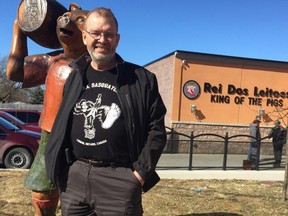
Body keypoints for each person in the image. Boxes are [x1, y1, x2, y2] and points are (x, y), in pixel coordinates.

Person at [45, 7, 167, 216]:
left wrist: (140, 174)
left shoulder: (141, 79)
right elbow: (62, 122)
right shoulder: (74, 77)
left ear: (117, 39)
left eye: (108, 34)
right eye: (96, 33)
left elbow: (156, 130)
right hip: (75, 177)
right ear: (85, 37)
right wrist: (62, 170)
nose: (102, 39)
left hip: (119, 180)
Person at [6, 3, 88, 215]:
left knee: (83, 189)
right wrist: (19, 32)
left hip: (84, 136)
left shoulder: (97, 66)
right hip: (49, 135)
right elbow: (14, 71)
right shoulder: (52, 61)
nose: (66, 20)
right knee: (42, 189)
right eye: (67, 16)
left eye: (79, 20)